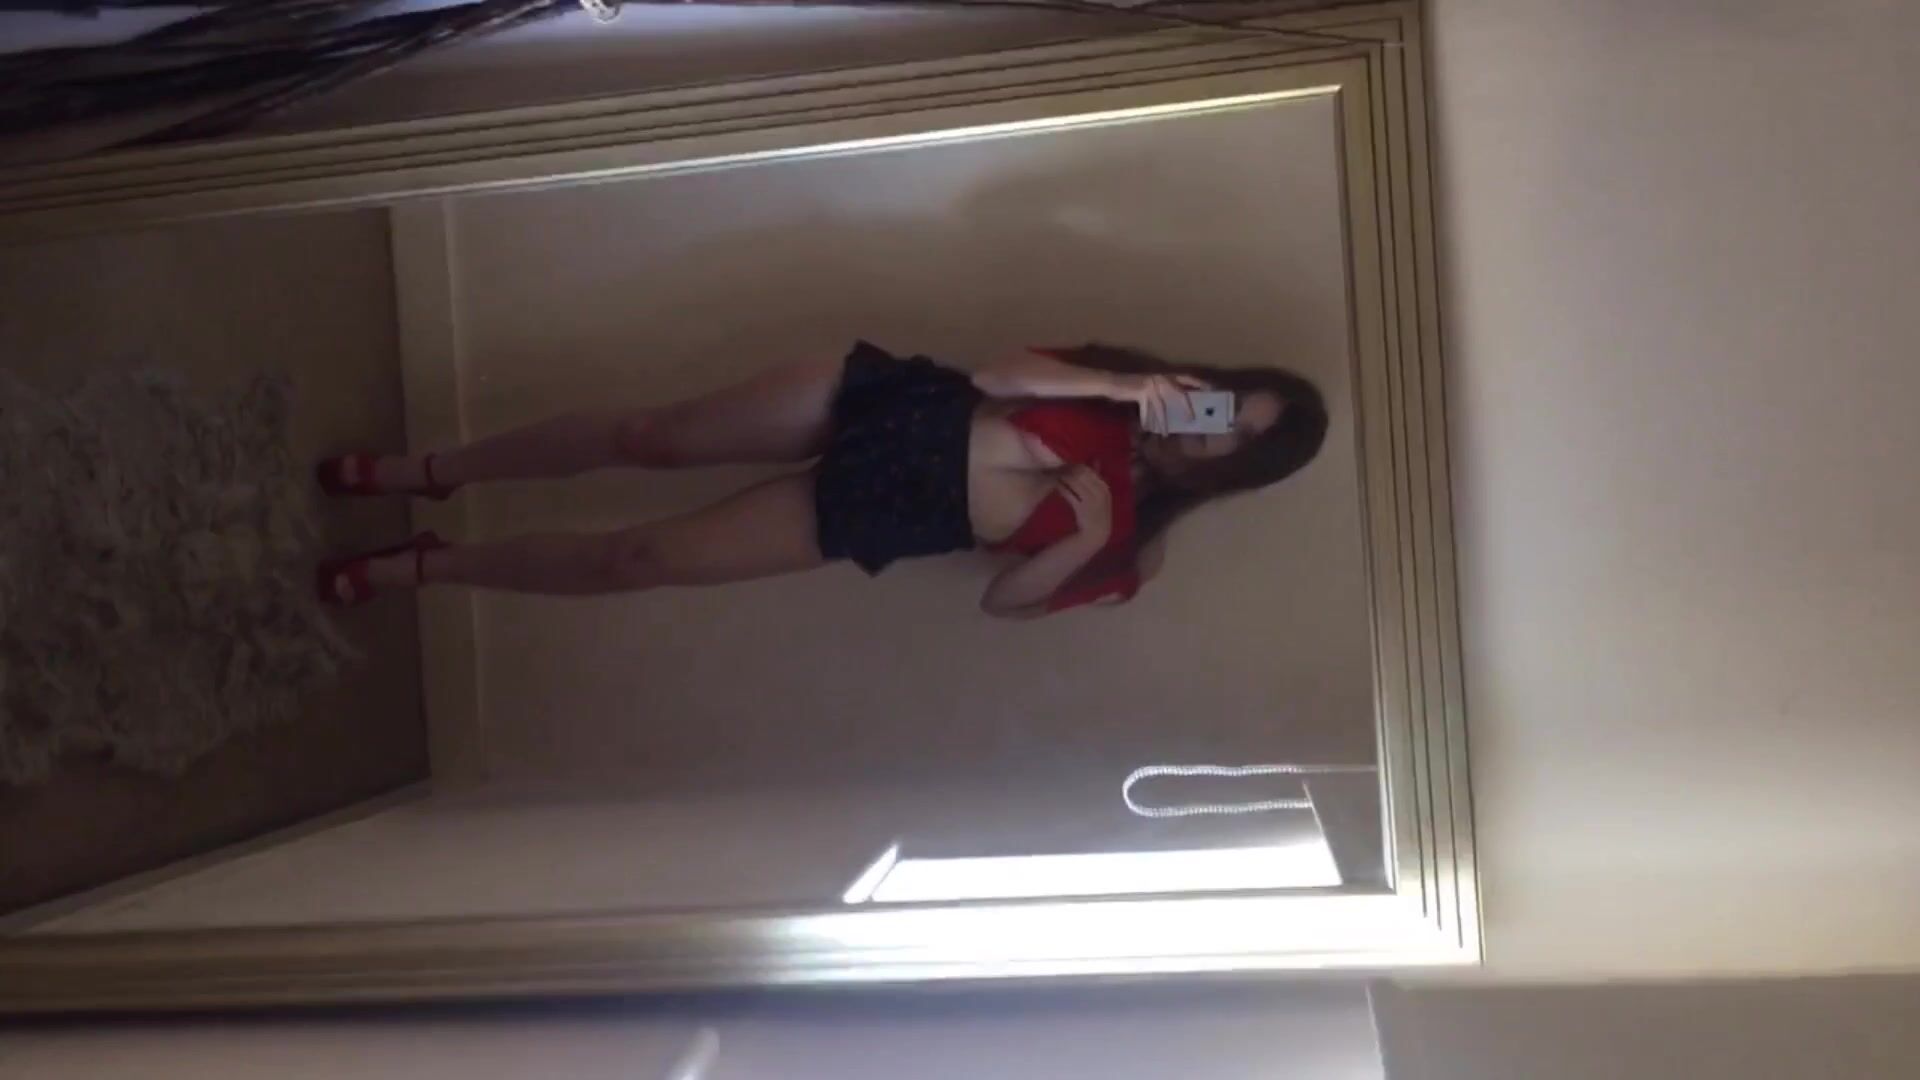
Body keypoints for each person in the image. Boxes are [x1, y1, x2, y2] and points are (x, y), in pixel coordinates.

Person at [316, 341, 1327, 619]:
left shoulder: (1134, 550)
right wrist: (1116, 386)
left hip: (886, 508)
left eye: (1240, 438)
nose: (1218, 427)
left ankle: (427, 566)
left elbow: (1005, 604)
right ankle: (430, 471)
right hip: (892, 410)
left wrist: (1083, 539)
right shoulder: (1121, 381)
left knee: (639, 558)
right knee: (648, 435)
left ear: (1242, 471)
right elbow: (993, 373)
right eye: (1231, 402)